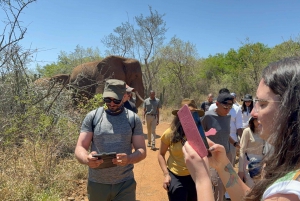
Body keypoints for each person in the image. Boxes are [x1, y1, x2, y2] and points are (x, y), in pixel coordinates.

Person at [182, 57, 300, 201]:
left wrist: (202, 179)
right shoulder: (288, 165)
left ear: (292, 109)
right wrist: (222, 164)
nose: (253, 113)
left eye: (262, 104)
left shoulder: (286, 196)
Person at [74, 79, 146, 201]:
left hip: (125, 184)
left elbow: (142, 150)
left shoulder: (133, 119)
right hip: (97, 183)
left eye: (116, 100)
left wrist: (129, 159)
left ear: (124, 97)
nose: (111, 104)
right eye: (107, 99)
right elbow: (80, 147)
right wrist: (86, 159)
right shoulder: (93, 117)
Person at [158, 98, 204, 201]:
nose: (189, 117)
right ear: (179, 115)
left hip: (194, 176)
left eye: (192, 113)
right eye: (186, 113)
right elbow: (161, 154)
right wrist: (166, 175)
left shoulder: (200, 134)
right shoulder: (170, 133)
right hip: (176, 175)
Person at [201, 93, 238, 201]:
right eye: (225, 107)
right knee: (216, 185)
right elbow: (200, 134)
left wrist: (235, 143)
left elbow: (225, 135)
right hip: (212, 157)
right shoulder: (208, 116)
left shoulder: (227, 117)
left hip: (225, 157)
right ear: (217, 104)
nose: (228, 110)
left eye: (230, 107)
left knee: (224, 186)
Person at [209, 89, 243, 167]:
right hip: (215, 142)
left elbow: (239, 127)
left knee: (229, 166)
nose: (227, 109)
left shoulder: (236, 110)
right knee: (215, 167)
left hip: (231, 143)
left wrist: (239, 142)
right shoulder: (211, 109)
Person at [238, 116, 264, 188]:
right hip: (249, 163)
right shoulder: (247, 131)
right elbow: (242, 150)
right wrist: (241, 171)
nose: (259, 122)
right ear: (252, 120)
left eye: (260, 119)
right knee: (251, 189)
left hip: (262, 164)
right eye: (256, 120)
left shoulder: (264, 131)